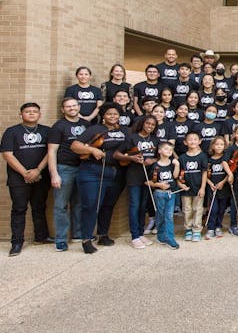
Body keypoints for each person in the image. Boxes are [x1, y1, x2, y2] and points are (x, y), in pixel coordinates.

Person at [70, 103, 126, 254]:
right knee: (91, 206)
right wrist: (92, 149)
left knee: (108, 205)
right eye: (109, 114)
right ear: (103, 115)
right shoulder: (95, 130)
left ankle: (103, 234)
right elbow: (75, 146)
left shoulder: (125, 131)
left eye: (115, 114)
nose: (112, 116)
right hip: (93, 171)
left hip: (115, 173)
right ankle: (86, 239)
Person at [1, 103, 51, 256]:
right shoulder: (12, 132)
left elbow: (51, 152)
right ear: (21, 114)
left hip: (41, 176)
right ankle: (16, 243)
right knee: (19, 209)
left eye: (35, 111)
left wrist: (37, 170)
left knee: (39, 207)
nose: (31, 114)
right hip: (18, 178)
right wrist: (25, 173)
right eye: (27, 111)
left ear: (39, 115)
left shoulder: (47, 131)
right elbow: (7, 154)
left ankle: (41, 237)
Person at [47, 98, 90, 251]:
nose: (71, 108)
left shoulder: (86, 124)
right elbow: (51, 151)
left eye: (74, 106)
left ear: (79, 107)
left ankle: (77, 234)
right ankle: (61, 239)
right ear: (62, 109)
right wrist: (54, 174)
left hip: (84, 168)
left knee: (79, 203)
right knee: (61, 205)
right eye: (68, 106)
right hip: (65, 169)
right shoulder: (59, 126)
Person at [114, 116, 159, 249]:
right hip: (134, 175)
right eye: (148, 123)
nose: (149, 126)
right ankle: (134, 236)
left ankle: (140, 233)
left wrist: (153, 160)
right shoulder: (132, 138)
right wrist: (132, 158)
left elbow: (159, 155)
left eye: (152, 125)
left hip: (148, 177)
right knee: (134, 205)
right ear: (142, 124)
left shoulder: (155, 140)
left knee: (143, 205)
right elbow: (117, 154)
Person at [146, 142, 180, 249]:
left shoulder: (172, 164)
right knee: (160, 215)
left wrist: (177, 165)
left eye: (171, 149)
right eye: (166, 149)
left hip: (171, 193)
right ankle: (160, 236)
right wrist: (159, 185)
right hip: (159, 194)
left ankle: (170, 238)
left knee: (169, 216)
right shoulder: (155, 166)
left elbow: (175, 176)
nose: (169, 151)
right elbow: (148, 182)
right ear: (159, 151)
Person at [177, 132, 208, 242]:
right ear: (185, 142)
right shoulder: (182, 158)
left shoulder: (202, 156)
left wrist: (203, 188)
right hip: (186, 188)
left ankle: (196, 230)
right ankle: (188, 229)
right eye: (190, 139)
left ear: (200, 141)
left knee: (198, 209)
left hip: (198, 188)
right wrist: (180, 184)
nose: (193, 141)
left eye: (195, 139)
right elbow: (178, 174)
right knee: (187, 209)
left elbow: (205, 173)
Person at [205, 136, 232, 239]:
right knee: (213, 209)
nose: (219, 146)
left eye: (221, 144)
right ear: (212, 146)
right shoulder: (208, 160)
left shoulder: (225, 159)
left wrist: (222, 182)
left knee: (221, 209)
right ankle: (211, 228)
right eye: (217, 144)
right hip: (212, 188)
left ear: (225, 146)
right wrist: (210, 183)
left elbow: (228, 173)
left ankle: (218, 227)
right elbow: (205, 174)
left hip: (223, 188)